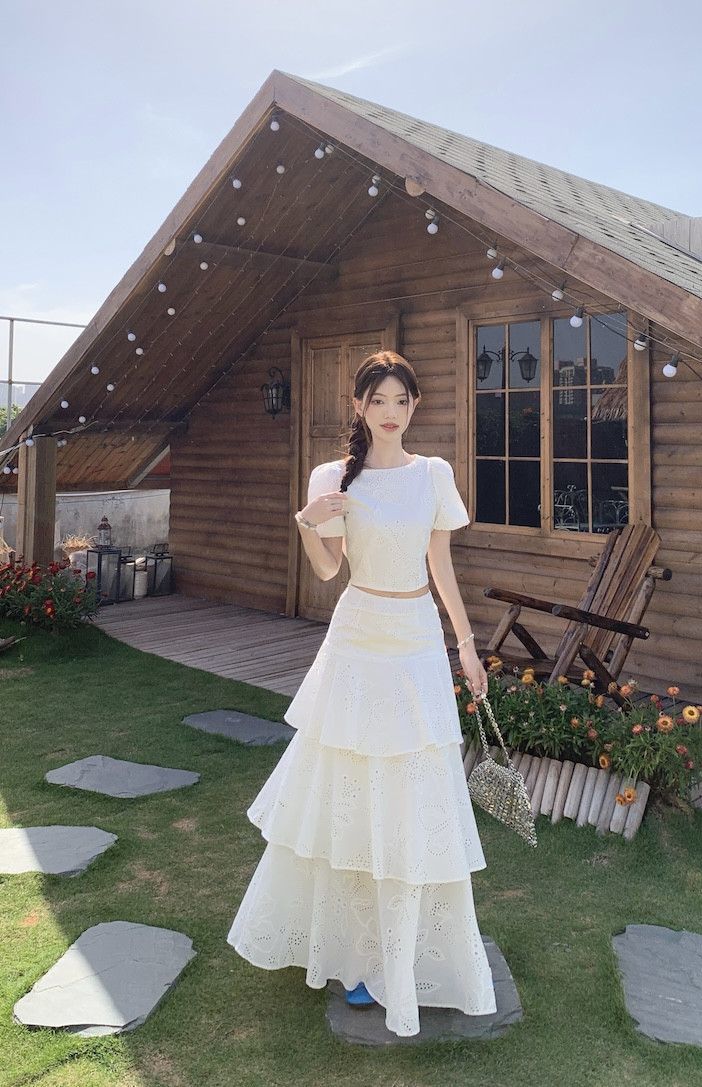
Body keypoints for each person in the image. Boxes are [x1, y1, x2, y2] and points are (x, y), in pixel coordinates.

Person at [227, 350, 497, 1037]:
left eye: (401, 400)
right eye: (377, 399)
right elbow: (327, 571)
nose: (390, 411)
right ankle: (351, 952)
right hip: (356, 638)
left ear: (414, 406)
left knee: (413, 791)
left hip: (415, 638)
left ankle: (409, 951)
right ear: (359, 407)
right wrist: (306, 520)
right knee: (347, 793)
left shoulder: (433, 475)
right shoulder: (332, 476)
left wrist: (466, 645)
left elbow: (441, 567)